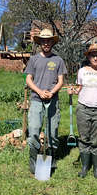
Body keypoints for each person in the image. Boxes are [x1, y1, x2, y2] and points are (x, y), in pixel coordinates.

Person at [24, 28, 67, 174]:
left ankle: (51, 160)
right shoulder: (34, 59)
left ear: (52, 42)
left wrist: (51, 92)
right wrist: (40, 91)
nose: (46, 43)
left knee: (52, 132)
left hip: (52, 100)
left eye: (48, 40)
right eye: (43, 40)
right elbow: (28, 79)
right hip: (36, 99)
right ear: (40, 42)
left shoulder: (58, 60)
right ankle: (34, 161)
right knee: (34, 129)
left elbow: (61, 81)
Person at [68, 43, 97, 180]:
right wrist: (73, 91)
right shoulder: (82, 71)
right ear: (88, 57)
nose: (95, 58)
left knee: (96, 140)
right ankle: (84, 167)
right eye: (93, 55)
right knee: (83, 138)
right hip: (83, 109)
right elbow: (79, 88)